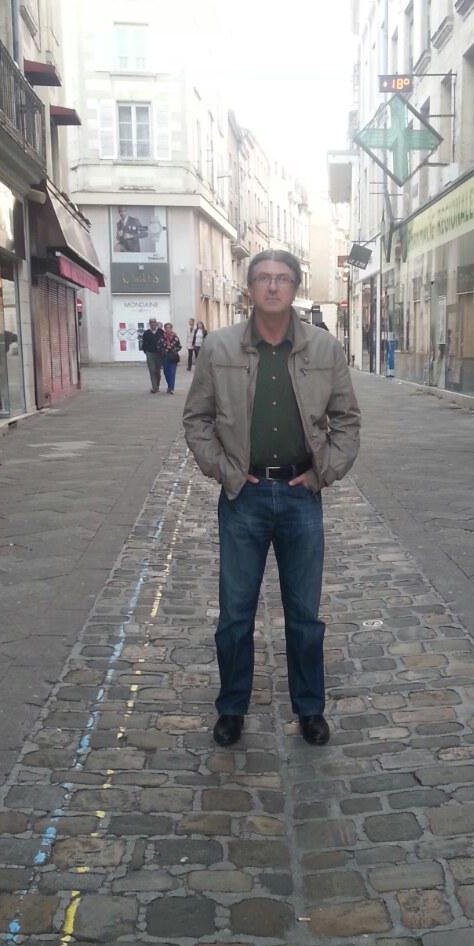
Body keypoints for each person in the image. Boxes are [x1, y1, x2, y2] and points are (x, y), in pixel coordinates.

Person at [183, 249, 360, 748]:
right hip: (245, 496)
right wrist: (225, 471)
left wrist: (323, 472)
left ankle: (310, 709)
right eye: (263, 278)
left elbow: (348, 421)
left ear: (295, 287)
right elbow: (196, 420)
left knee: (305, 615)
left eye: (282, 278)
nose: (273, 286)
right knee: (235, 615)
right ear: (250, 288)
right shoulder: (219, 348)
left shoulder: (324, 349)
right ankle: (231, 708)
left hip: (302, 496)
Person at [141, 319, 162, 393]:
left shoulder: (160, 331)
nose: (153, 324)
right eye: (151, 323)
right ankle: (154, 388)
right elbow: (143, 343)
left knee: (158, 371)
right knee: (152, 370)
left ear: (156, 324)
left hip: (159, 354)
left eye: (154, 323)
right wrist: (146, 351)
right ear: (149, 324)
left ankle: (157, 385)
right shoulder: (146, 333)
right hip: (150, 353)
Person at [160, 322, 181, 394]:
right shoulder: (162, 337)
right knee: (166, 372)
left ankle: (171, 388)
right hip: (165, 356)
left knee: (172, 372)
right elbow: (158, 346)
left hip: (173, 357)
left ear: (171, 329)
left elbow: (179, 346)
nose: (168, 329)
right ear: (165, 329)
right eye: (166, 328)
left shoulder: (175, 337)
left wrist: (174, 350)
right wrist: (163, 350)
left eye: (169, 328)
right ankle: (169, 386)